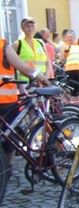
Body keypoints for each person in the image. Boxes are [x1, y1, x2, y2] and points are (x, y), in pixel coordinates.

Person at [0, 37, 49, 168]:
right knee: (9, 135)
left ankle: (6, 168)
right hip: (6, 101)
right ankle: (7, 167)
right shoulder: (3, 45)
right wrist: (42, 77)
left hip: (6, 100)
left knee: (7, 135)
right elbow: (23, 67)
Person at [11, 17, 49, 83]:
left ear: (36, 27)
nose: (30, 28)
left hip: (42, 81)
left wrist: (46, 78)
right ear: (22, 28)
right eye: (27, 26)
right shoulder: (17, 44)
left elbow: (48, 62)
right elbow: (11, 63)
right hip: (25, 82)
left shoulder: (40, 43)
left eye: (32, 26)